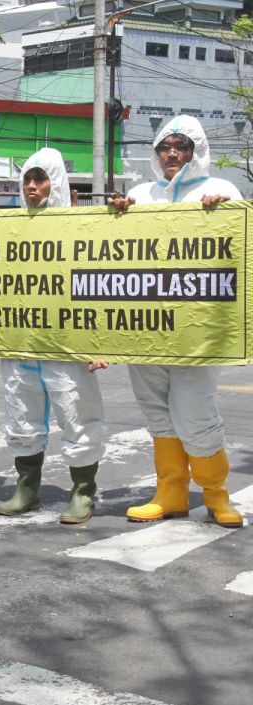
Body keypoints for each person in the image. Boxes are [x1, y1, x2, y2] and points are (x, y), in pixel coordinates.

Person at [109, 116, 244, 528]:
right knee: (157, 413)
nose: (171, 153)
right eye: (164, 147)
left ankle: (216, 494)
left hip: (195, 333)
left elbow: (236, 248)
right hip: (145, 329)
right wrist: (116, 217)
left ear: (195, 150)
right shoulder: (140, 194)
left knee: (196, 413)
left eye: (181, 146)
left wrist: (223, 214)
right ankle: (171, 492)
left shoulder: (220, 191)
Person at [0, 148, 108, 523]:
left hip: (66, 344)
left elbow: (102, 285)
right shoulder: (7, 227)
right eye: (26, 179)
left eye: (40, 179)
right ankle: (27, 487)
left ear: (55, 182)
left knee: (76, 414)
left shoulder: (83, 227)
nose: (31, 186)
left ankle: (83, 491)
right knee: (21, 415)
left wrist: (101, 343)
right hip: (20, 343)